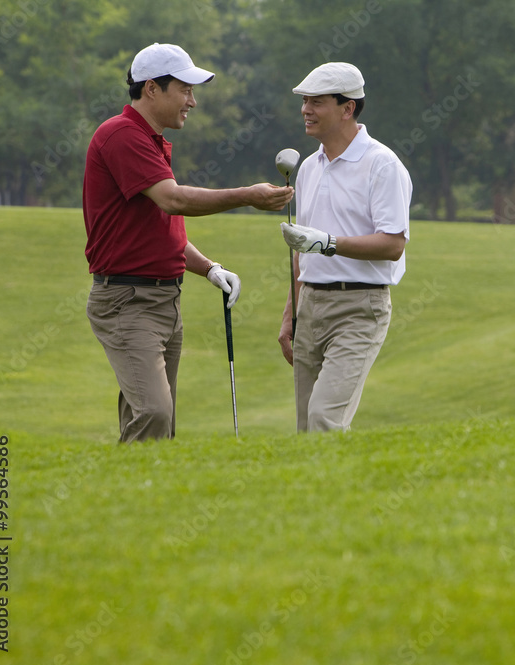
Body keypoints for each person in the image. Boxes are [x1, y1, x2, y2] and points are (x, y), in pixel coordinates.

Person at [83, 42, 293, 442]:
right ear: (152, 89)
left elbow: (159, 231)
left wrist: (210, 268)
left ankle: (138, 498)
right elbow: (173, 200)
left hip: (163, 301)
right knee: (154, 413)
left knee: (154, 424)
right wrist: (247, 196)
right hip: (128, 300)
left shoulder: (150, 140)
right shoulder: (121, 135)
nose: (192, 102)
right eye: (185, 90)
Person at [278, 62, 412, 432]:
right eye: (305, 101)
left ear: (347, 107)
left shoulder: (382, 165)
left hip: (359, 307)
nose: (306, 110)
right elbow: (301, 251)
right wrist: (291, 313)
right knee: (307, 425)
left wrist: (328, 244)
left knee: (325, 419)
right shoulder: (309, 167)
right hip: (312, 306)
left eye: (316, 102)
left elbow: (393, 244)